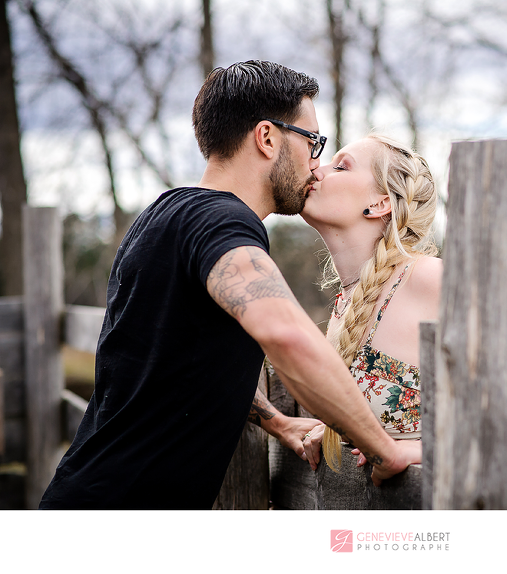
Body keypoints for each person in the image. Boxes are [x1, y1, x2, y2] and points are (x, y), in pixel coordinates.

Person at [38, 60, 420, 510]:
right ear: (267, 137)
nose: (315, 163)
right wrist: (385, 449)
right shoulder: (224, 223)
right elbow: (284, 333)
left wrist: (276, 421)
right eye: (312, 142)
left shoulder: (165, 213)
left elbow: (177, 356)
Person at [297, 134, 507, 472]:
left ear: (381, 203)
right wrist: (333, 432)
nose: (318, 170)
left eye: (341, 166)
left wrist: (419, 451)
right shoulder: (346, 304)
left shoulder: (429, 279)